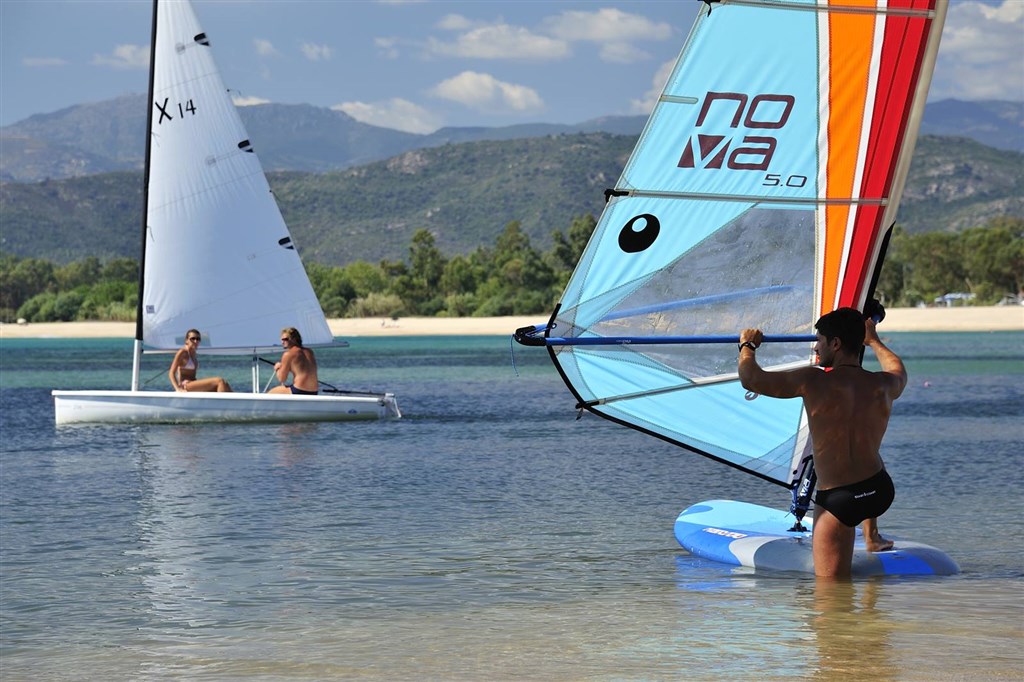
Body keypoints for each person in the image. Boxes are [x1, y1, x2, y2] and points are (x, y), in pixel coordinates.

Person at [737, 307, 907, 578]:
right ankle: (871, 537)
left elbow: (751, 379)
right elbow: (897, 367)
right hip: (879, 490)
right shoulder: (884, 384)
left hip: (839, 500)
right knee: (865, 454)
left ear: (836, 344)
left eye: (820, 340)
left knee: (831, 595)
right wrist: (873, 340)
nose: (816, 346)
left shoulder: (813, 380)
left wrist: (747, 345)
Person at [268, 327, 319, 395]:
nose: (282, 342)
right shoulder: (309, 351)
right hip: (314, 391)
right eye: (281, 340)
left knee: (271, 393)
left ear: (294, 339)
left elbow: (282, 379)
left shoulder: (288, 354)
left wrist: (277, 368)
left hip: (299, 391)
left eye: (285, 339)